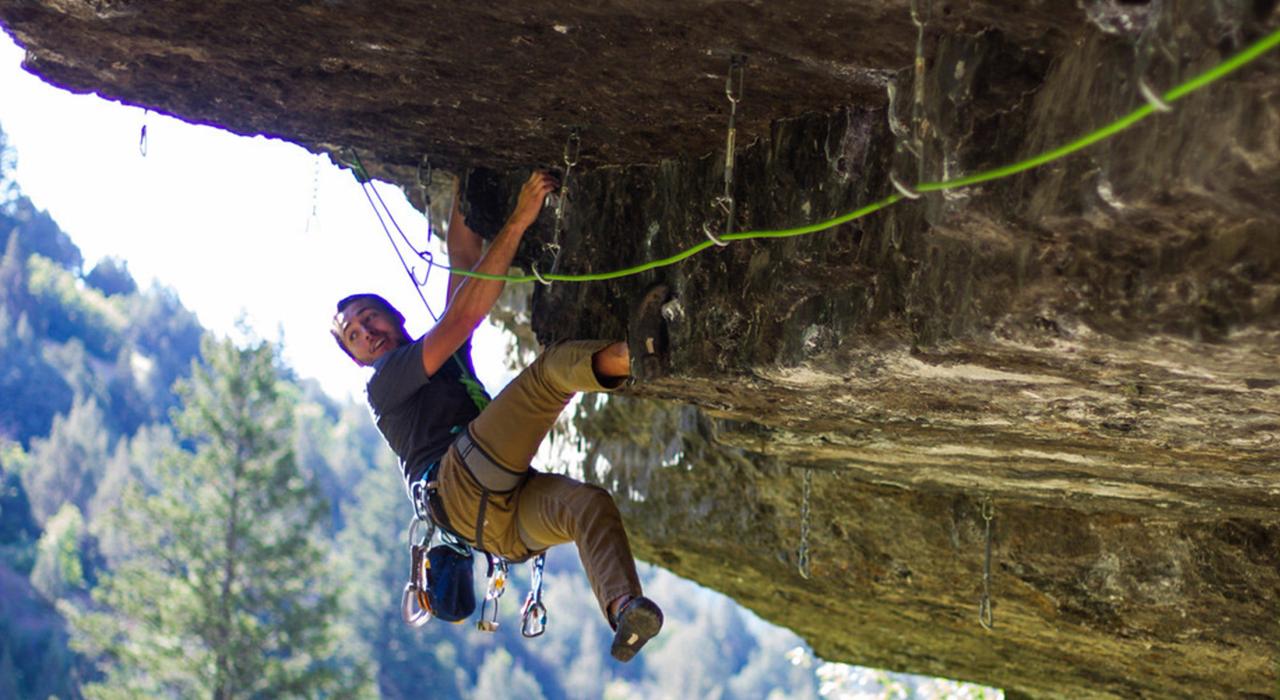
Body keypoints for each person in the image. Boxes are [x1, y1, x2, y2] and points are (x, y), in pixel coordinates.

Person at [332, 171, 665, 662]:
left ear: (396, 317)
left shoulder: (441, 360)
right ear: (358, 359)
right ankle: (647, 350)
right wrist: (521, 218)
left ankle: (623, 609)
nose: (367, 332)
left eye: (369, 317)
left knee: (588, 506)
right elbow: (461, 318)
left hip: (492, 525)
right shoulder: (386, 380)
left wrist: (466, 176)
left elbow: (464, 264)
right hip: (461, 485)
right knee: (553, 370)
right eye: (354, 335)